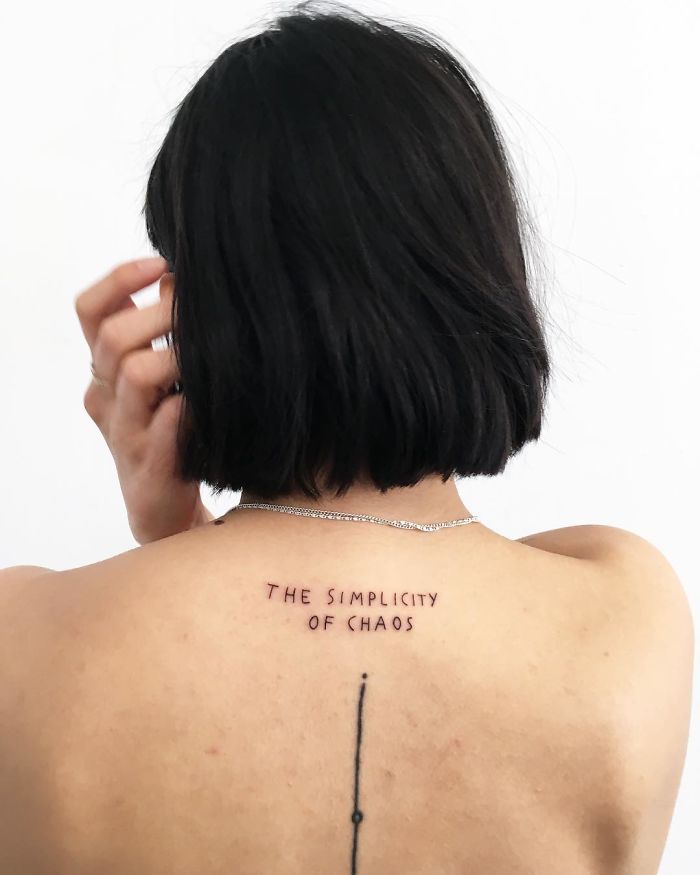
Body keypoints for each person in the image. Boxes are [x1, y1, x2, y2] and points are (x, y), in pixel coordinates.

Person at [0, 2, 693, 873]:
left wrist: (173, 539)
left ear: (187, 310)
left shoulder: (24, 643)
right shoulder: (624, 618)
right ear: (481, 273)